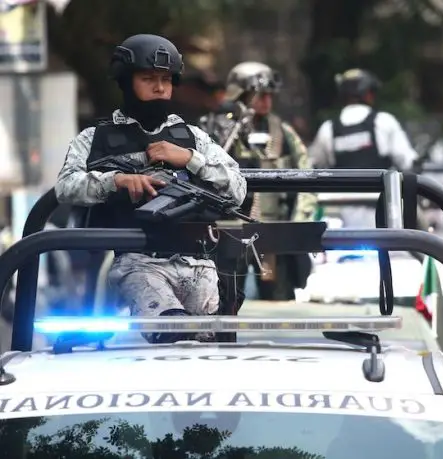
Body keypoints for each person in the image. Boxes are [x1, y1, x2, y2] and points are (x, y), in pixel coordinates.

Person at [54, 34, 247, 343]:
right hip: (139, 261)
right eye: (148, 79)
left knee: (211, 345)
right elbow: (65, 187)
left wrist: (190, 159)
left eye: (166, 80)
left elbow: (237, 188)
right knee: (171, 332)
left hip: (198, 262)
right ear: (126, 81)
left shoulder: (193, 137)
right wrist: (116, 181)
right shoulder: (94, 138)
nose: (160, 88)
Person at [219, 61, 316, 301]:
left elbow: (307, 175)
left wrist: (299, 222)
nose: (266, 101)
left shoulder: (282, 131)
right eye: (259, 95)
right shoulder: (219, 130)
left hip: (273, 235)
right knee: (225, 299)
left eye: (269, 95)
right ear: (241, 95)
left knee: (276, 298)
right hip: (231, 232)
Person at [309, 68, 418, 171]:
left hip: (341, 191)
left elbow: (312, 165)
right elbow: (407, 161)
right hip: (380, 191)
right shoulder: (384, 121)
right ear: (369, 95)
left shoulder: (327, 128)